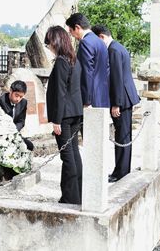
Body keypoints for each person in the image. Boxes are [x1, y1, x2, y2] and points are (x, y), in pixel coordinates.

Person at [92, 25, 141, 183]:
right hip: (126, 97)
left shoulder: (113, 50)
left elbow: (117, 78)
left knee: (122, 136)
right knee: (124, 136)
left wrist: (116, 104)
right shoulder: (118, 47)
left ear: (101, 37)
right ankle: (122, 169)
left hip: (122, 99)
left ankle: (120, 172)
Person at [44, 26, 84, 204]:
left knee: (67, 157)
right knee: (74, 154)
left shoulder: (61, 61)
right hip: (75, 112)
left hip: (65, 116)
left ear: (57, 41)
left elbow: (60, 92)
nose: (48, 46)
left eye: (49, 42)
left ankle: (70, 197)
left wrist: (56, 120)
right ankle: (78, 194)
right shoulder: (74, 59)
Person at [65, 13, 110, 109]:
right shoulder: (100, 42)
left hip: (91, 99)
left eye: (71, 31)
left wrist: (87, 101)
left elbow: (87, 72)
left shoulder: (85, 42)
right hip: (102, 96)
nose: (72, 35)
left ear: (77, 27)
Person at [0, 80, 34, 151]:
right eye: (16, 95)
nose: (18, 99)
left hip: (14, 132)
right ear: (11, 91)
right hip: (2, 134)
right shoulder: (1, 101)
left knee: (30, 146)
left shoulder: (23, 102)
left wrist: (14, 131)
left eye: (21, 97)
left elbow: (21, 121)